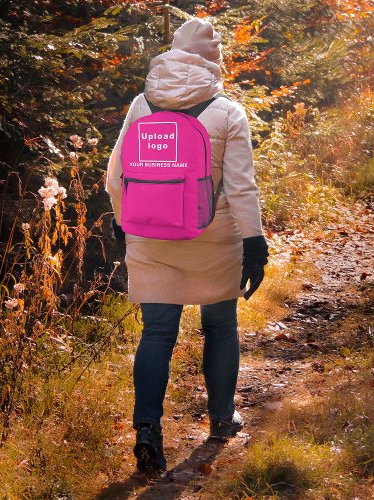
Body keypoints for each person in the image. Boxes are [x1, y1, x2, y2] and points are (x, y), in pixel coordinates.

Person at [105, 18, 269, 473]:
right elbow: (241, 188)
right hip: (212, 237)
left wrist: (125, 225)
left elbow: (117, 177)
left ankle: (147, 432)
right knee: (219, 326)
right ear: (214, 59)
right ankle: (220, 419)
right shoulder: (227, 111)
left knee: (156, 333)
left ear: (174, 52)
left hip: (150, 235)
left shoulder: (143, 103)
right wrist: (255, 241)